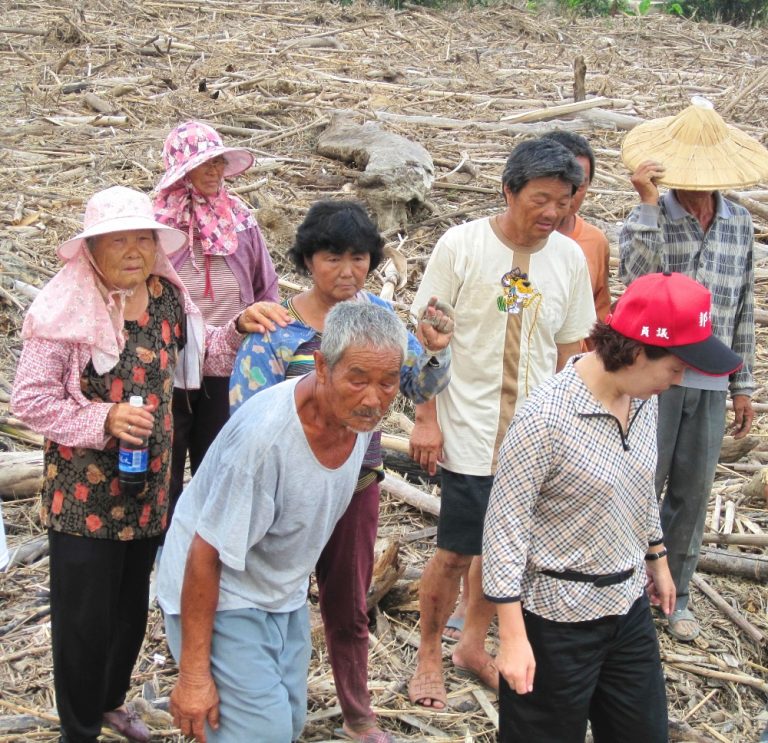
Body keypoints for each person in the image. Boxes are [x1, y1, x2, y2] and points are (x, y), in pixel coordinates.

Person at [11, 186, 274, 743]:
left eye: (143, 239)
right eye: (119, 241)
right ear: (92, 250)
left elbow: (203, 360)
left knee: (131, 610)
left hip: (150, 485)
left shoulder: (165, 300)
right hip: (83, 496)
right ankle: (78, 729)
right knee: (83, 620)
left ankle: (109, 703)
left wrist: (239, 327)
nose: (134, 251)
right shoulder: (65, 311)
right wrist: (103, 419)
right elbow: (30, 400)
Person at [483, 271, 742, 743]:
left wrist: (657, 556)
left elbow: (639, 485)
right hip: (556, 618)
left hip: (627, 607)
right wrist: (513, 637)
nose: (680, 379)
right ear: (639, 352)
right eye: (677, 367)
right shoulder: (545, 418)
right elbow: (504, 529)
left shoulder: (644, 400)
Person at [229, 199, 453, 742]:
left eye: (359, 257)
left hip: (355, 483)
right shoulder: (278, 327)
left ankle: (358, 713)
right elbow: (245, 414)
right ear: (308, 259)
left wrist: (434, 351)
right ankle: (259, 696)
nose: (348, 270)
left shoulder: (380, 318)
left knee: (348, 602)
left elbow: (417, 387)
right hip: (281, 492)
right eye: (333, 256)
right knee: (265, 594)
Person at [157, 302, 411, 743]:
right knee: (262, 734)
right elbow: (205, 552)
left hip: (280, 592)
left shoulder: (360, 418)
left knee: (287, 725)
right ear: (322, 367)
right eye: (358, 380)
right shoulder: (265, 442)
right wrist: (194, 677)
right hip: (221, 594)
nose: (374, 398)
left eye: (388, 382)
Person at [408, 138, 596, 709]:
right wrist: (425, 418)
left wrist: (572, 430)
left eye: (563, 201)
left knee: (508, 552)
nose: (551, 212)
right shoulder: (461, 246)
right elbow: (427, 341)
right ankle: (429, 653)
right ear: (508, 190)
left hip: (534, 436)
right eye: (540, 198)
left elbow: (570, 356)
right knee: (456, 550)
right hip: (468, 428)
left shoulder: (567, 259)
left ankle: (473, 645)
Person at [619, 97, 768, 641]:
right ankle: (626, 586)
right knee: (641, 481)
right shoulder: (652, 213)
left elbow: (743, 304)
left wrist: (743, 385)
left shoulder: (738, 223)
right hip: (653, 373)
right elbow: (636, 278)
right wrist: (648, 204)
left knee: (692, 489)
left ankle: (673, 594)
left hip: (711, 375)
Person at [153, 120, 287, 528]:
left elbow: (266, 285)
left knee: (221, 459)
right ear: (181, 170)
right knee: (166, 465)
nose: (214, 171)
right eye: (204, 164)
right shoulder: (157, 225)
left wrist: (269, 341)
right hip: (170, 362)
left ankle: (208, 552)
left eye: (218, 163)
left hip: (231, 359)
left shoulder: (239, 219)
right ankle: (164, 551)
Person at [542, 130, 612, 321]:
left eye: (579, 184)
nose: (570, 193)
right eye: (563, 182)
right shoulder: (511, 239)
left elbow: (599, 313)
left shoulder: (595, 241)